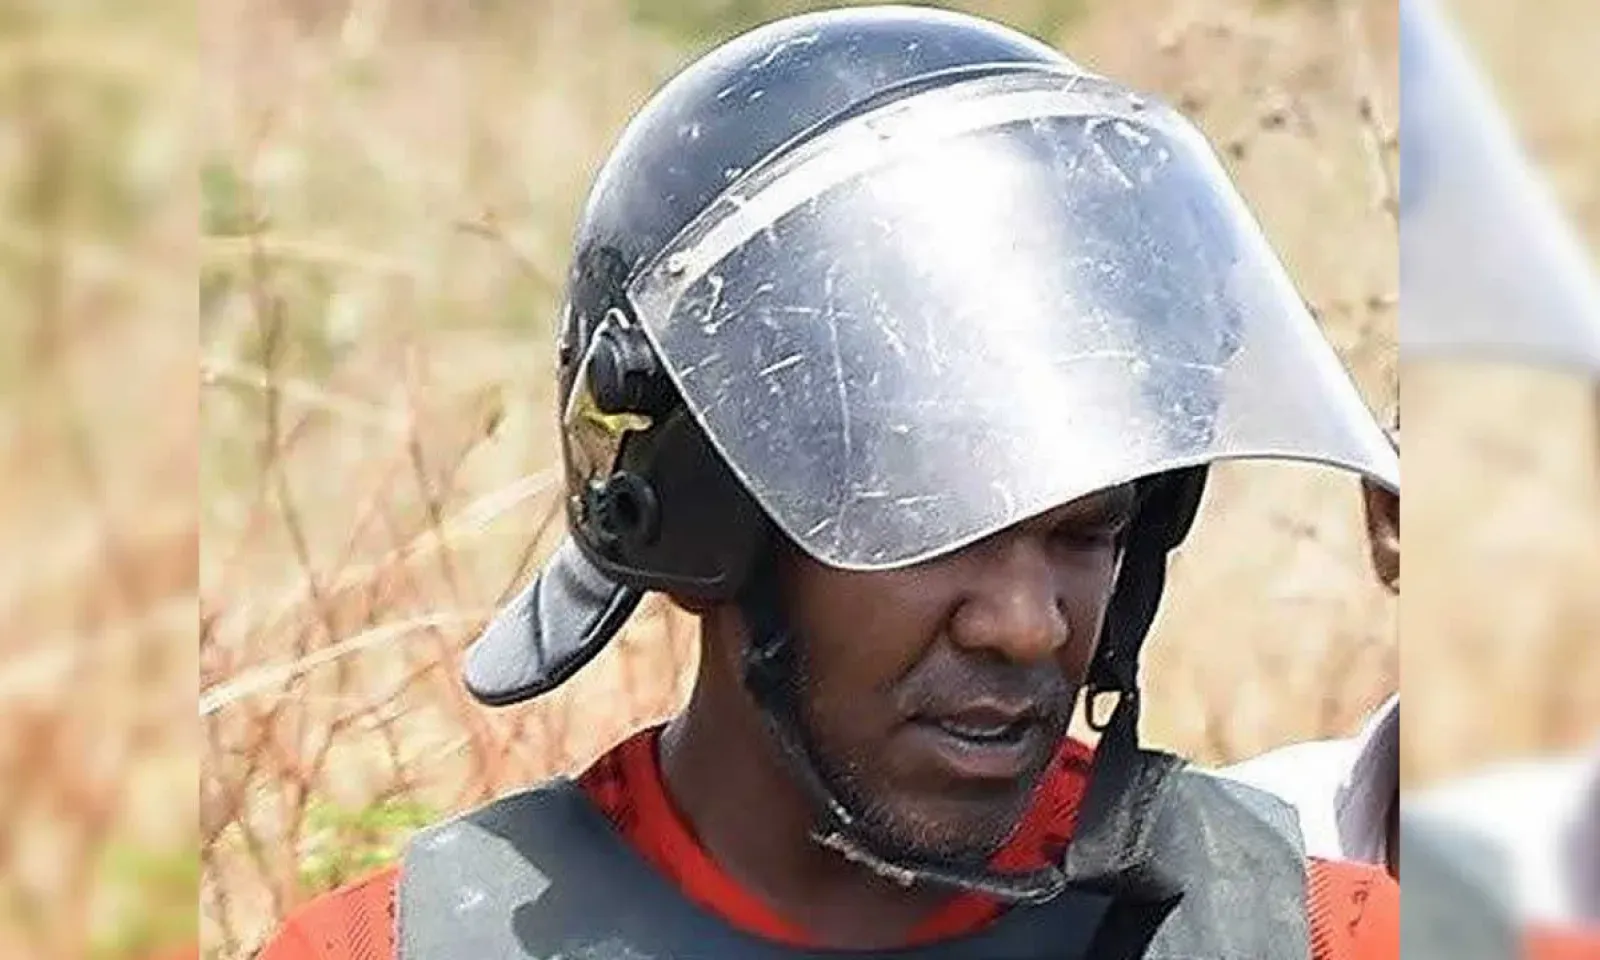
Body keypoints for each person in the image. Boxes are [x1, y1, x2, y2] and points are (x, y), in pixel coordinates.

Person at [255, 7, 1403, 958]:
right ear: (698, 527)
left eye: (1087, 530)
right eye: (931, 521)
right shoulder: (400, 944)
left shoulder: (1316, 932)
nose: (1027, 624)